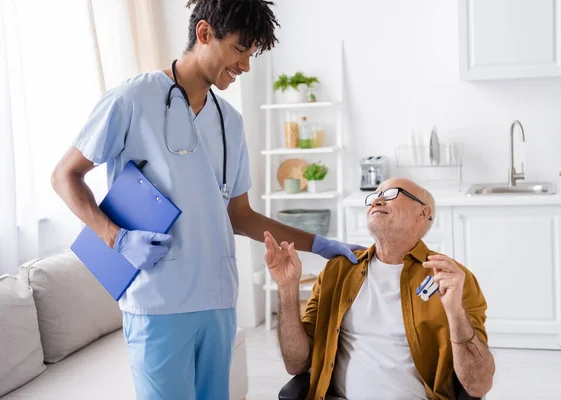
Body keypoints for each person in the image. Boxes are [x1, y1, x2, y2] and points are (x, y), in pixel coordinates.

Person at [51, 1, 361, 399]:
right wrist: (116, 238)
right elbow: (65, 176)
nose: (245, 67)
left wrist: (319, 244)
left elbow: (241, 216)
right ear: (203, 34)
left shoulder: (229, 121)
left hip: (217, 302)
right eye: (239, 50)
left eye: (251, 56)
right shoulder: (131, 99)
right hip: (157, 302)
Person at [265, 178, 496, 400]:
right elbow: (295, 364)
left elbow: (478, 385)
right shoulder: (338, 271)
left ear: (423, 213)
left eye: (390, 194)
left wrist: (455, 313)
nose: (376, 200)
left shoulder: (451, 278)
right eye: (374, 196)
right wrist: (286, 288)